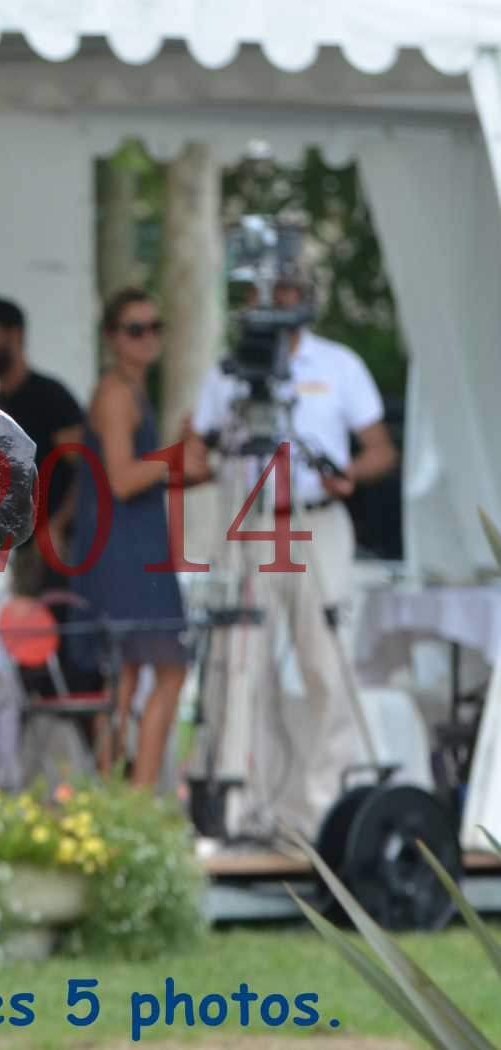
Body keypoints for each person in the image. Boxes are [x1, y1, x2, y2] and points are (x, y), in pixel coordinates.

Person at [186, 271, 398, 839]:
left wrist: (349, 474)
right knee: (239, 662)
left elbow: (380, 449)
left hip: (317, 521)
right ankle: (237, 809)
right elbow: (192, 447)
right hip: (251, 522)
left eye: (289, 288)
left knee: (326, 664)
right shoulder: (229, 373)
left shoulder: (339, 365)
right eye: (268, 289)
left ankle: (323, 811)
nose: (279, 299)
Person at [67, 289, 211, 787]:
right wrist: (175, 456)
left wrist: (188, 459)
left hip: (135, 543)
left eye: (155, 327)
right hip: (122, 550)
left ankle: (125, 799)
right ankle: (135, 798)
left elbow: (146, 475)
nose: (147, 338)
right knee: (148, 676)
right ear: (112, 337)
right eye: (135, 329)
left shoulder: (132, 390)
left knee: (130, 678)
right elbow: (123, 478)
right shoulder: (114, 392)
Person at [0, 293, 85, 595]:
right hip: (14, 557)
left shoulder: (50, 396)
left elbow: (88, 470)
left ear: (14, 334)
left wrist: (57, 527)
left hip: (62, 553)